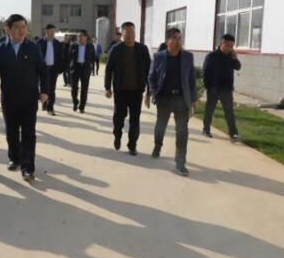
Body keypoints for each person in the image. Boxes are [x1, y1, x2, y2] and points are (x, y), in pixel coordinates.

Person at [0, 14, 49, 181]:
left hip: (29, 98)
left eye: (24, 27)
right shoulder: (1, 48)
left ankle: (28, 167)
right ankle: (15, 158)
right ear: (8, 29)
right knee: (11, 132)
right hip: (9, 98)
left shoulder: (33, 48)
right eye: (17, 27)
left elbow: (43, 70)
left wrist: (44, 91)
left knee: (29, 133)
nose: (22, 31)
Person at [148, 28, 197, 176]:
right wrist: (154, 92)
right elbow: (151, 77)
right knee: (160, 126)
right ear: (168, 41)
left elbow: (191, 80)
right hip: (164, 98)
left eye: (180, 38)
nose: (179, 41)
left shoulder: (188, 57)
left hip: (181, 99)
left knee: (182, 131)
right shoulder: (158, 57)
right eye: (175, 38)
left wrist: (194, 99)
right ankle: (158, 145)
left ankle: (180, 162)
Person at [104, 22, 151, 156]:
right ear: (122, 34)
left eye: (132, 32)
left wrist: (149, 91)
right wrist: (107, 87)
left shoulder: (142, 49)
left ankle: (132, 145)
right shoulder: (116, 49)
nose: (130, 34)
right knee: (118, 118)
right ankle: (117, 135)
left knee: (135, 120)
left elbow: (149, 70)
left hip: (137, 91)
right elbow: (109, 69)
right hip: (121, 91)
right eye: (127, 32)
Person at [202, 33, 241, 141]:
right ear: (221, 43)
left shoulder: (231, 56)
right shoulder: (211, 56)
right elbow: (205, 72)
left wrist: (235, 58)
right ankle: (206, 130)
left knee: (229, 112)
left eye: (232, 46)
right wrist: (208, 86)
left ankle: (233, 133)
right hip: (213, 89)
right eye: (228, 45)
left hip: (227, 89)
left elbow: (238, 67)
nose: (230, 48)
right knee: (209, 110)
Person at [38, 24, 65, 116]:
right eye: (51, 31)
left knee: (52, 89)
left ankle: (50, 108)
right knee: (43, 87)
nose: (53, 33)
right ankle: (44, 103)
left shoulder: (57, 43)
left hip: (53, 69)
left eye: (54, 31)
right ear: (47, 31)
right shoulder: (40, 42)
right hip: (43, 69)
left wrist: (60, 70)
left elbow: (61, 57)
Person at [68, 29, 95, 113]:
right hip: (75, 69)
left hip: (85, 70)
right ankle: (75, 102)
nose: (79, 38)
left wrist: (90, 67)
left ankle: (82, 107)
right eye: (78, 36)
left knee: (84, 89)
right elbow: (69, 56)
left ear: (85, 37)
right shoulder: (74, 46)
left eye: (81, 36)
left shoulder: (90, 46)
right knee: (74, 88)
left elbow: (93, 58)